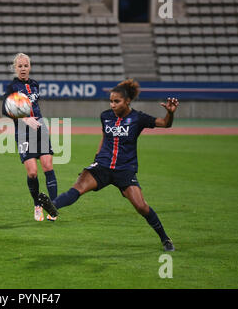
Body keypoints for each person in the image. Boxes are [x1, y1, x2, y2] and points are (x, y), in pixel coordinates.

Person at [38, 78, 178, 251]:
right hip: (102, 166)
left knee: (141, 206)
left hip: (124, 170)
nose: (112, 105)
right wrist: (96, 158)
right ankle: (53, 206)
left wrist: (170, 113)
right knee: (78, 187)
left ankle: (165, 238)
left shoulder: (138, 118)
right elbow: (105, 138)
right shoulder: (105, 116)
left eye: (116, 101)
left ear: (127, 101)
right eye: (111, 101)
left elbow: (165, 124)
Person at [2, 53, 58, 221]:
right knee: (33, 172)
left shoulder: (35, 84)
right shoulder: (12, 87)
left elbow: (34, 105)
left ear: (30, 67)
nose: (23, 69)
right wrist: (25, 119)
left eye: (26, 66)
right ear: (15, 68)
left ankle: (53, 206)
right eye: (20, 66)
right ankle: (37, 205)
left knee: (48, 166)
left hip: (40, 128)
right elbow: (5, 109)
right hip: (23, 132)